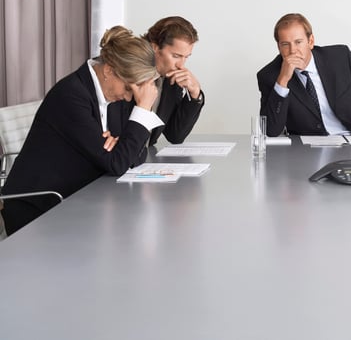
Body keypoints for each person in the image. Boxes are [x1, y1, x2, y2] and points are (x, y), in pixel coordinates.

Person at [0, 26, 163, 235]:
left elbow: (134, 154)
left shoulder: (110, 93)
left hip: (78, 198)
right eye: (129, 89)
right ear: (109, 70)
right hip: (40, 210)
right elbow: (118, 162)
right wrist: (142, 110)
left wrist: (120, 149)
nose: (129, 98)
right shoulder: (71, 96)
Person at [257, 13, 351, 137]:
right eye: (285, 44)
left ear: (310, 41)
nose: (293, 50)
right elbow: (271, 130)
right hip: (304, 150)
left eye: (298, 42)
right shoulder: (269, 75)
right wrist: (283, 80)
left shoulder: (339, 57)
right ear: (279, 47)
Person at [140, 16, 204, 146]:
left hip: (145, 161)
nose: (181, 64)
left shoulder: (171, 78)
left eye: (186, 57)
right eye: (176, 56)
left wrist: (195, 94)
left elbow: (175, 135)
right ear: (155, 47)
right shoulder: (128, 73)